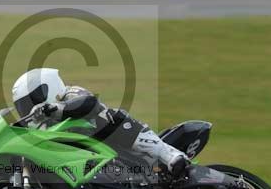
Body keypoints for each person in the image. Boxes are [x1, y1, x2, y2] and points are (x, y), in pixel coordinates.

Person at [11, 68, 190, 179]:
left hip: (112, 140)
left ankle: (169, 154)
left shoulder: (70, 93)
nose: (29, 108)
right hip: (89, 161)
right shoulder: (43, 126)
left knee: (112, 118)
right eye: (23, 105)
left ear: (46, 88)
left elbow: (88, 103)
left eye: (30, 101)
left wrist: (53, 108)